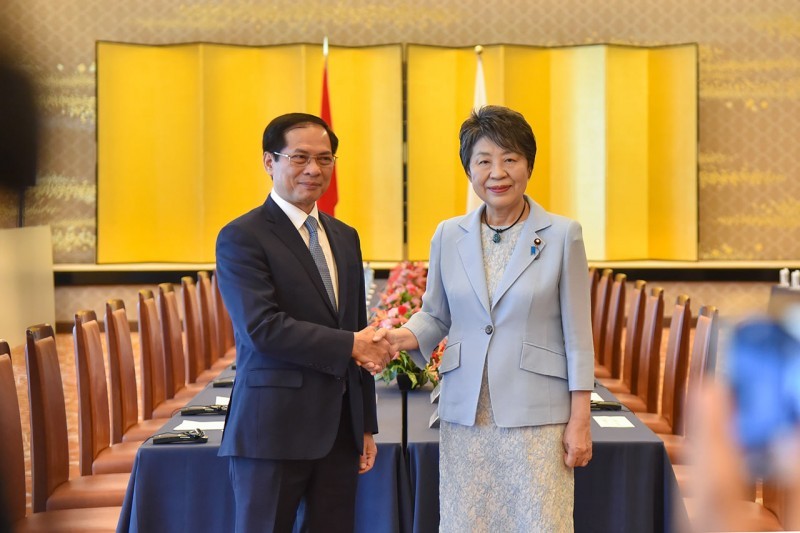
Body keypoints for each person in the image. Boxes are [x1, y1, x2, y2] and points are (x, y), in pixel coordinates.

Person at [375, 105, 594, 531]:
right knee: (467, 522)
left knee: (538, 521)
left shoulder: (563, 234)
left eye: (510, 159)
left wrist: (580, 419)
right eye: (484, 161)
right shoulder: (447, 234)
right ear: (469, 170)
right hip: (467, 412)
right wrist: (395, 339)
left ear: (529, 164)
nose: (498, 172)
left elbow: (578, 336)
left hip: (538, 416)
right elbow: (435, 314)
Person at [215, 112, 395, 533]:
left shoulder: (344, 235)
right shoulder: (242, 236)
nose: (314, 169)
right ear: (269, 162)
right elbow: (263, 328)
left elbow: (357, 328)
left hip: (337, 433)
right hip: (272, 430)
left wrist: (364, 425)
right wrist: (351, 344)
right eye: (299, 158)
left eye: (325, 159)